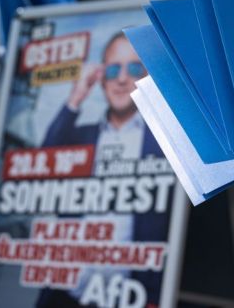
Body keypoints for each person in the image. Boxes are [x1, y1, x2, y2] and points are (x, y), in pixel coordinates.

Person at [39, 32, 168, 306]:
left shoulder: (166, 141)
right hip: (67, 293)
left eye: (134, 68)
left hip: (136, 295)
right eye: (112, 69)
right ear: (100, 78)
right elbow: (39, 167)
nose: (122, 78)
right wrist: (76, 96)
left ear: (146, 76)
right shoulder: (79, 136)